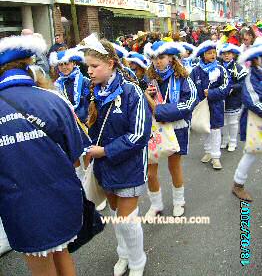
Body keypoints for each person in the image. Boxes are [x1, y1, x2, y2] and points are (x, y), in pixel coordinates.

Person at [0, 34, 84, 276]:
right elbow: (76, 156)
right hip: (61, 197)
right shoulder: (54, 100)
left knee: (40, 267)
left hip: (20, 207)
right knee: (62, 254)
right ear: (29, 67)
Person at [80, 37, 151, 276]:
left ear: (111, 63)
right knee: (114, 213)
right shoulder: (93, 92)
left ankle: (138, 262)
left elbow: (140, 133)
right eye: (87, 66)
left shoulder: (132, 92)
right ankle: (124, 253)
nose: (89, 71)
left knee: (127, 219)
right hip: (104, 166)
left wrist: (106, 151)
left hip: (129, 166)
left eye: (94, 66)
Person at [143, 40, 197, 218]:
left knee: (174, 167)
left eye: (162, 57)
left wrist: (157, 107)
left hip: (176, 127)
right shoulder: (148, 79)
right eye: (154, 58)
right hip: (153, 129)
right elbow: (140, 104)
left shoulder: (183, 78)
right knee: (150, 172)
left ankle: (179, 201)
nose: (157, 61)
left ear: (171, 58)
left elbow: (188, 104)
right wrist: (146, 98)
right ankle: (156, 204)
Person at [190, 40, 230, 170]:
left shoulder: (220, 69)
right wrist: (197, 101)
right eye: (209, 53)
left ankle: (216, 157)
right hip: (202, 106)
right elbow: (190, 87)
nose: (213, 55)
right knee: (205, 129)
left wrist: (212, 93)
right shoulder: (196, 71)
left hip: (216, 105)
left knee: (215, 130)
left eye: (214, 52)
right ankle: (208, 151)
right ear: (203, 55)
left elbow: (226, 87)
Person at [232, 43, 262, 201]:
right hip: (255, 121)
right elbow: (252, 100)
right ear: (256, 59)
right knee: (251, 153)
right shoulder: (251, 76)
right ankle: (238, 185)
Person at [219, 44, 247, 152]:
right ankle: (225, 140)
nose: (226, 56)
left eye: (229, 54)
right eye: (224, 54)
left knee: (233, 121)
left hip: (234, 98)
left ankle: (233, 141)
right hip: (221, 98)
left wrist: (232, 88)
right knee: (223, 121)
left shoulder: (238, 67)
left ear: (233, 55)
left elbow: (242, 83)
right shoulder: (217, 67)